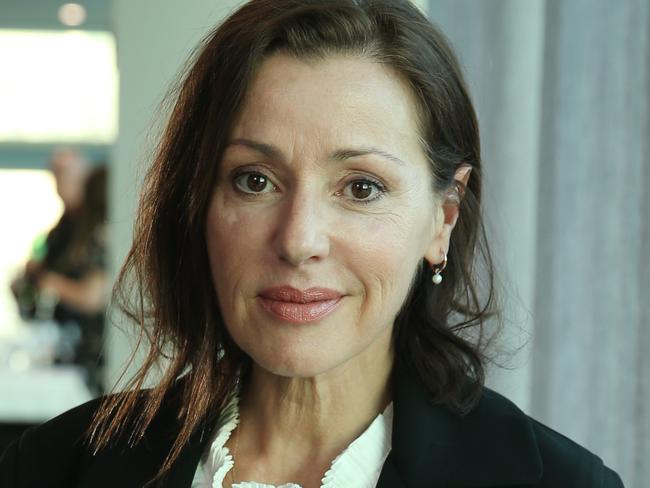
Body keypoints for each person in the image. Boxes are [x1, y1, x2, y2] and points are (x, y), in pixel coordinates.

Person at [0, 1, 623, 486]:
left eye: (361, 188)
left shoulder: (568, 483)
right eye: (255, 180)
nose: (298, 240)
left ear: (443, 217)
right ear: (199, 204)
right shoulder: (55, 467)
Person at [10, 154, 109, 394]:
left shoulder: (99, 227)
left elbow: (93, 297)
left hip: (92, 357)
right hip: (61, 348)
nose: (60, 185)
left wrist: (49, 282)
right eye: (56, 176)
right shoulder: (62, 228)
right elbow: (36, 272)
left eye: (65, 176)